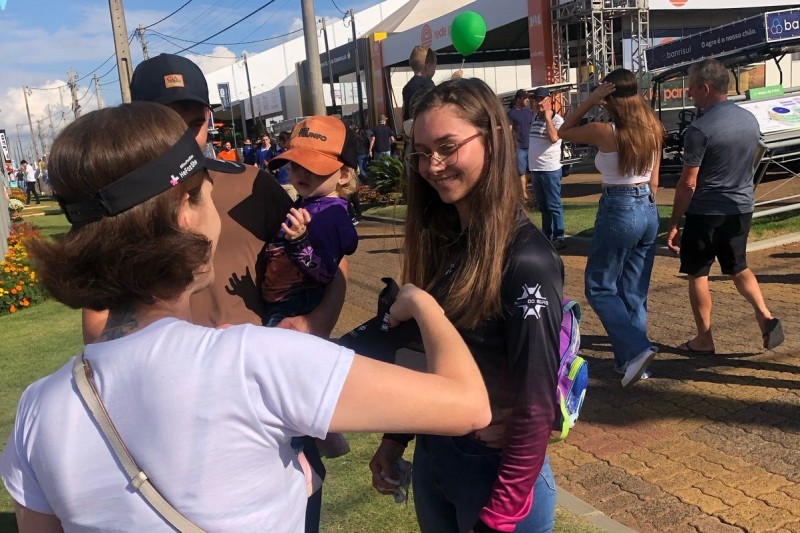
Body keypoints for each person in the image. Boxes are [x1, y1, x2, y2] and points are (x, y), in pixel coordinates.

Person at [0, 102, 492, 533]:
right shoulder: (256, 360)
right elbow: (468, 405)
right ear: (184, 211)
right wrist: (422, 302)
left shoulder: (38, 408)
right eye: (206, 193)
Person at [370, 78, 562, 533]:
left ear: (492, 141)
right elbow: (424, 354)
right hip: (436, 461)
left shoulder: (527, 258)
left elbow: (537, 407)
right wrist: (396, 439)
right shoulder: (442, 241)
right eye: (419, 152)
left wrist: (498, 519)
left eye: (448, 146)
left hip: (496, 479)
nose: (431, 165)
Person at [666, 58, 784, 354]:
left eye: (691, 88)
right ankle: (764, 316)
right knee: (738, 266)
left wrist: (674, 222)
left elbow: (688, 183)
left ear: (705, 88)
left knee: (698, 273)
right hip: (741, 206)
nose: (689, 94)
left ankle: (704, 339)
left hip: (706, 210)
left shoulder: (699, 129)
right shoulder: (749, 119)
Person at [558, 68, 662, 386]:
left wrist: (589, 100)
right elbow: (655, 180)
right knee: (633, 290)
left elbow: (563, 131)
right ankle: (632, 363)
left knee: (600, 287)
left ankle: (636, 350)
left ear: (609, 97)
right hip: (648, 206)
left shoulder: (606, 131)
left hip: (620, 207)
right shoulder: (652, 127)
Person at [262, 116, 359, 328]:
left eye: (314, 167)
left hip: (296, 303)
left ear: (343, 175)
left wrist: (300, 242)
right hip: (281, 297)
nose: (302, 173)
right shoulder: (311, 202)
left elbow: (324, 272)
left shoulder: (331, 216)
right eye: (296, 165)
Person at [528, 87, 566, 249]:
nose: (538, 102)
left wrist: (549, 118)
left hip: (550, 169)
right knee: (543, 207)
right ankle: (546, 235)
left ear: (549, 100)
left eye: (540, 99)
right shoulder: (535, 118)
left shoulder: (557, 120)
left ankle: (559, 236)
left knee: (554, 205)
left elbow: (553, 138)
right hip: (537, 169)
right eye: (536, 99)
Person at [401, 45, 436, 137]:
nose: (434, 70)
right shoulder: (428, 84)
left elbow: (404, 110)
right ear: (427, 66)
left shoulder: (407, 87)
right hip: (422, 123)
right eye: (434, 67)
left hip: (408, 126)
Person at [507, 89, 534, 202]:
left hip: (531, 146)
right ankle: (523, 195)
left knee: (532, 171)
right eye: (525, 98)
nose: (527, 100)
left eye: (528, 98)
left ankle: (519, 188)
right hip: (519, 147)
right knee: (521, 171)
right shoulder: (511, 113)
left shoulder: (529, 113)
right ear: (518, 99)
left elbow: (532, 127)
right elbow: (509, 130)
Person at [274, 130, 298, 200]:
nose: (279, 143)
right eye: (279, 140)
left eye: (280, 140)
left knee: (292, 204)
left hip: (291, 185)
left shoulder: (293, 152)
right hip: (279, 184)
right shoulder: (277, 153)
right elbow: (268, 162)